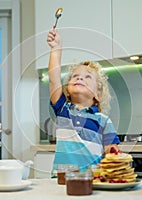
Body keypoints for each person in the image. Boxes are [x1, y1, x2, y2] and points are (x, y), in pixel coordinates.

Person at [47, 29, 120, 171]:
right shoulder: (63, 110)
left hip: (91, 180)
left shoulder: (103, 121)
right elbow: (53, 79)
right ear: (67, 89)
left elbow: (111, 151)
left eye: (88, 77)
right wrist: (56, 48)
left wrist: (114, 153)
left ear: (97, 94)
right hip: (62, 179)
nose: (79, 78)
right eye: (75, 76)